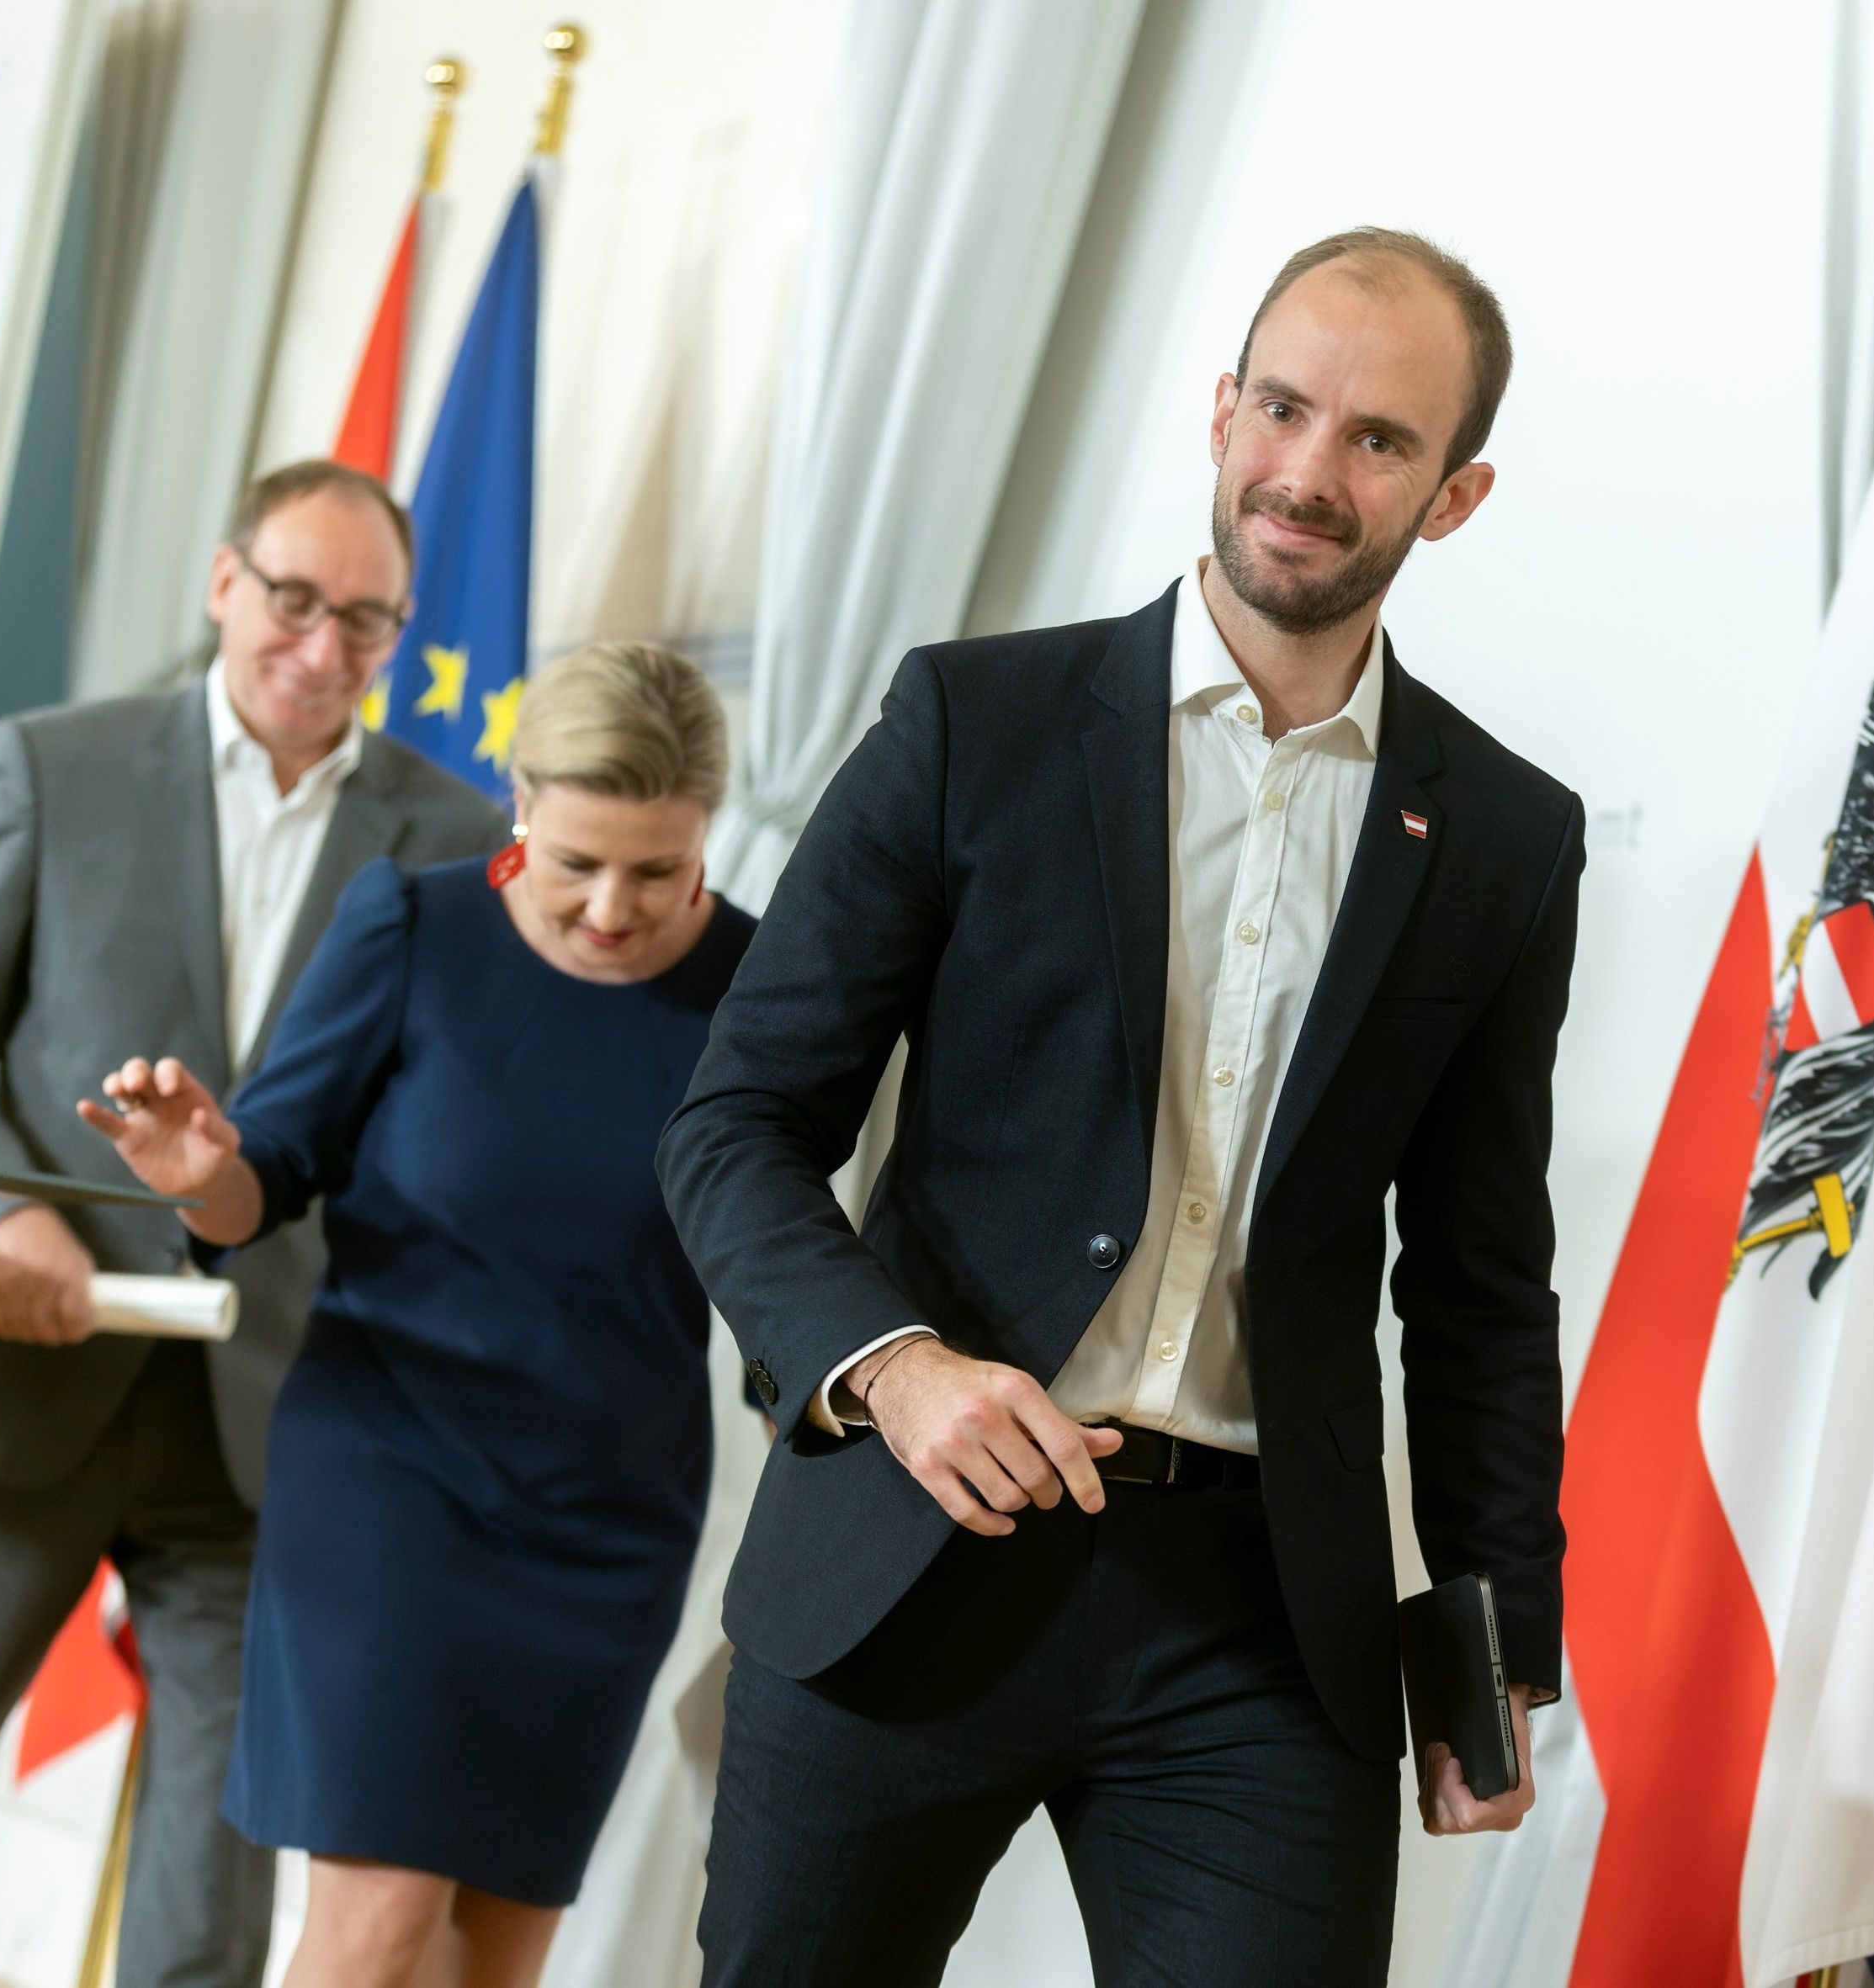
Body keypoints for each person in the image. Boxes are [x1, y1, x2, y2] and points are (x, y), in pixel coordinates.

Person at [663, 227, 1584, 1986]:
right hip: (910, 1556)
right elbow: (735, 1125)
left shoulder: (1504, 838)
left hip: (1259, 1619)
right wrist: (894, 1369)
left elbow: (1477, 1279)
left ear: (1451, 496)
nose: (1307, 473)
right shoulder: (969, 722)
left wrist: (1492, 1630)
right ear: (1218, 408)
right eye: (1282, 407)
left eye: (1376, 441)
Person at [0, 461, 504, 1988]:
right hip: (7, 1391)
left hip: (273, 1444)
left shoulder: (462, 839)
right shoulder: (54, 762)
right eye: (295, 601)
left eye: (368, 621)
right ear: (222, 583)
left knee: (208, 1915)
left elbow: (450, 1147)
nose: (324, 650)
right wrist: (2, 1216)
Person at [83, 643, 754, 1988]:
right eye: (574, 862)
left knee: (486, 1965)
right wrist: (202, 1173)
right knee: (378, 1933)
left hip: (605, 1523)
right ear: (518, 805)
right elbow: (260, 1176)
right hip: (388, 1486)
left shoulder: (764, 981)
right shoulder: (413, 923)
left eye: (659, 870)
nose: (613, 910)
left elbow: (794, 1229)